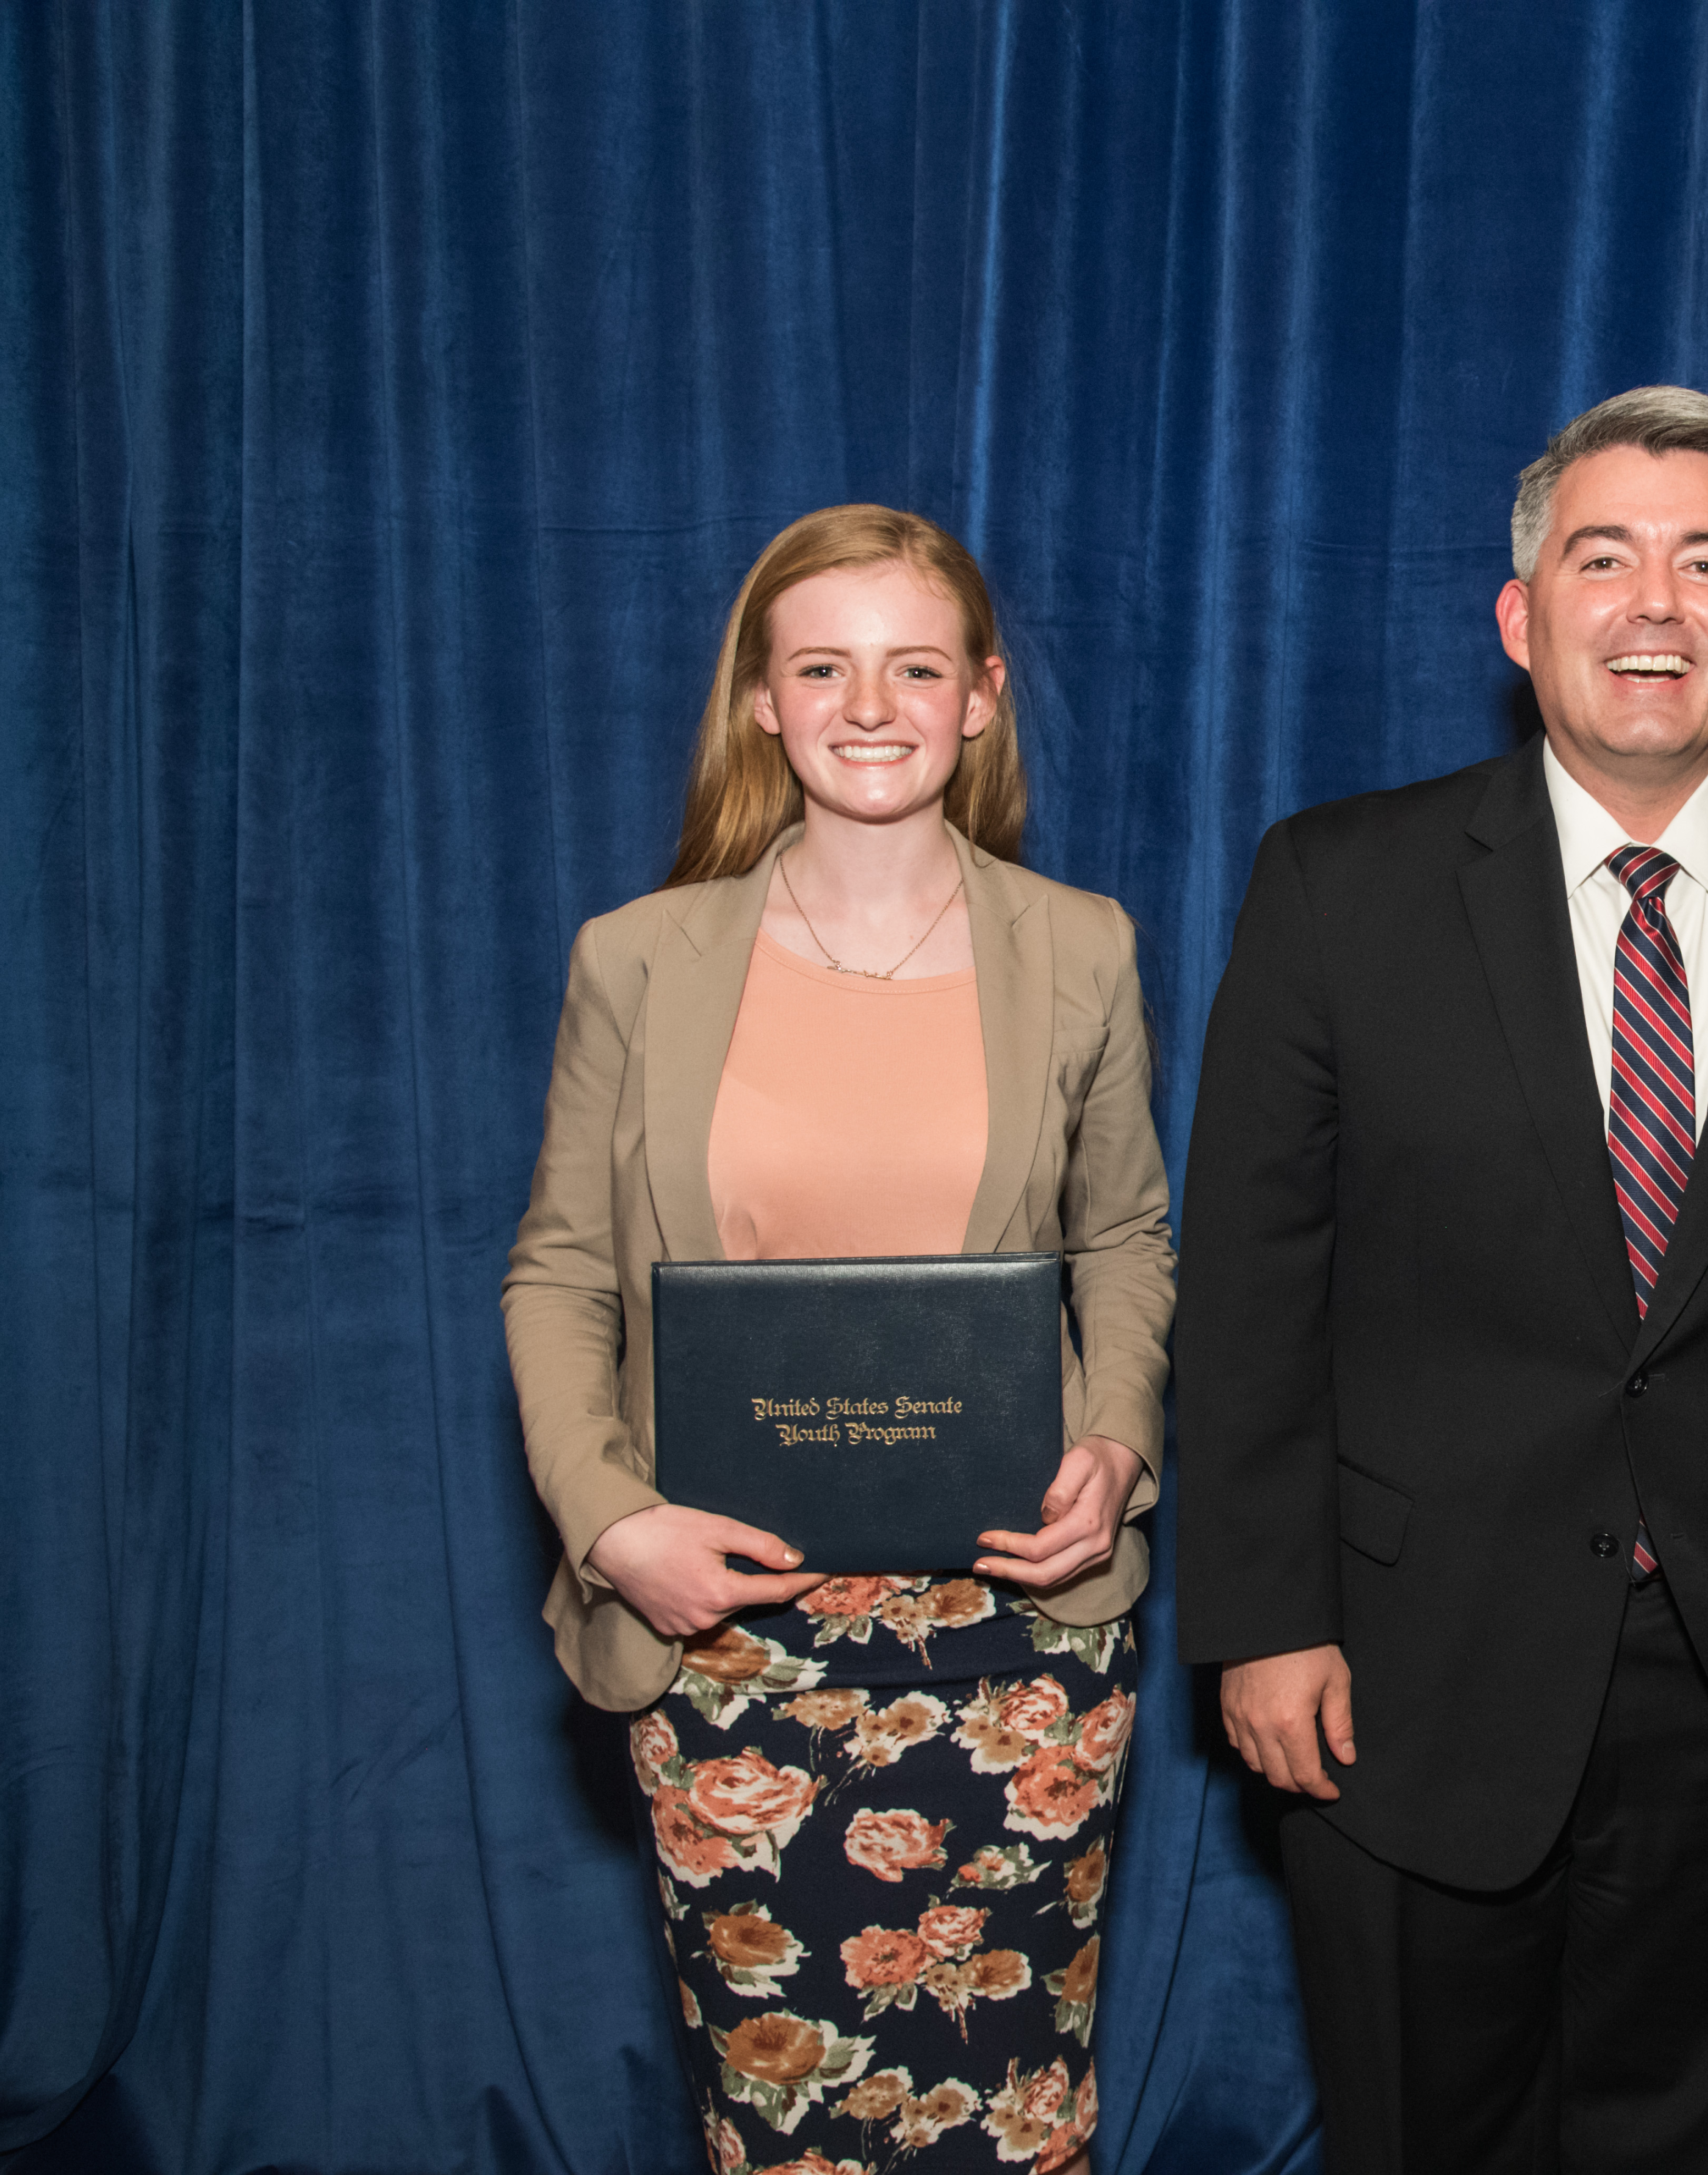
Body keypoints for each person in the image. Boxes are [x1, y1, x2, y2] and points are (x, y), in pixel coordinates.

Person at [1174, 386, 1708, 2172]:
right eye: (1602, 557)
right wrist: (1260, 1614)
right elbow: (1248, 1286)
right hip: (1397, 1680)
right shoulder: (1338, 885)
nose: (1654, 604)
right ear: (1519, 612)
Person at [502, 506, 1175, 2175]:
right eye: (823, 666)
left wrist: (1119, 1445)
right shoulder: (637, 961)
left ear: (983, 698)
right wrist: (611, 1521)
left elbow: (1125, 1243)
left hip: (1018, 1647)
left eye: (915, 666)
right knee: (782, 2119)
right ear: (762, 702)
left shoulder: (1082, 947)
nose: (870, 705)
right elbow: (562, 1269)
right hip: (730, 1648)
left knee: (1012, 2118)